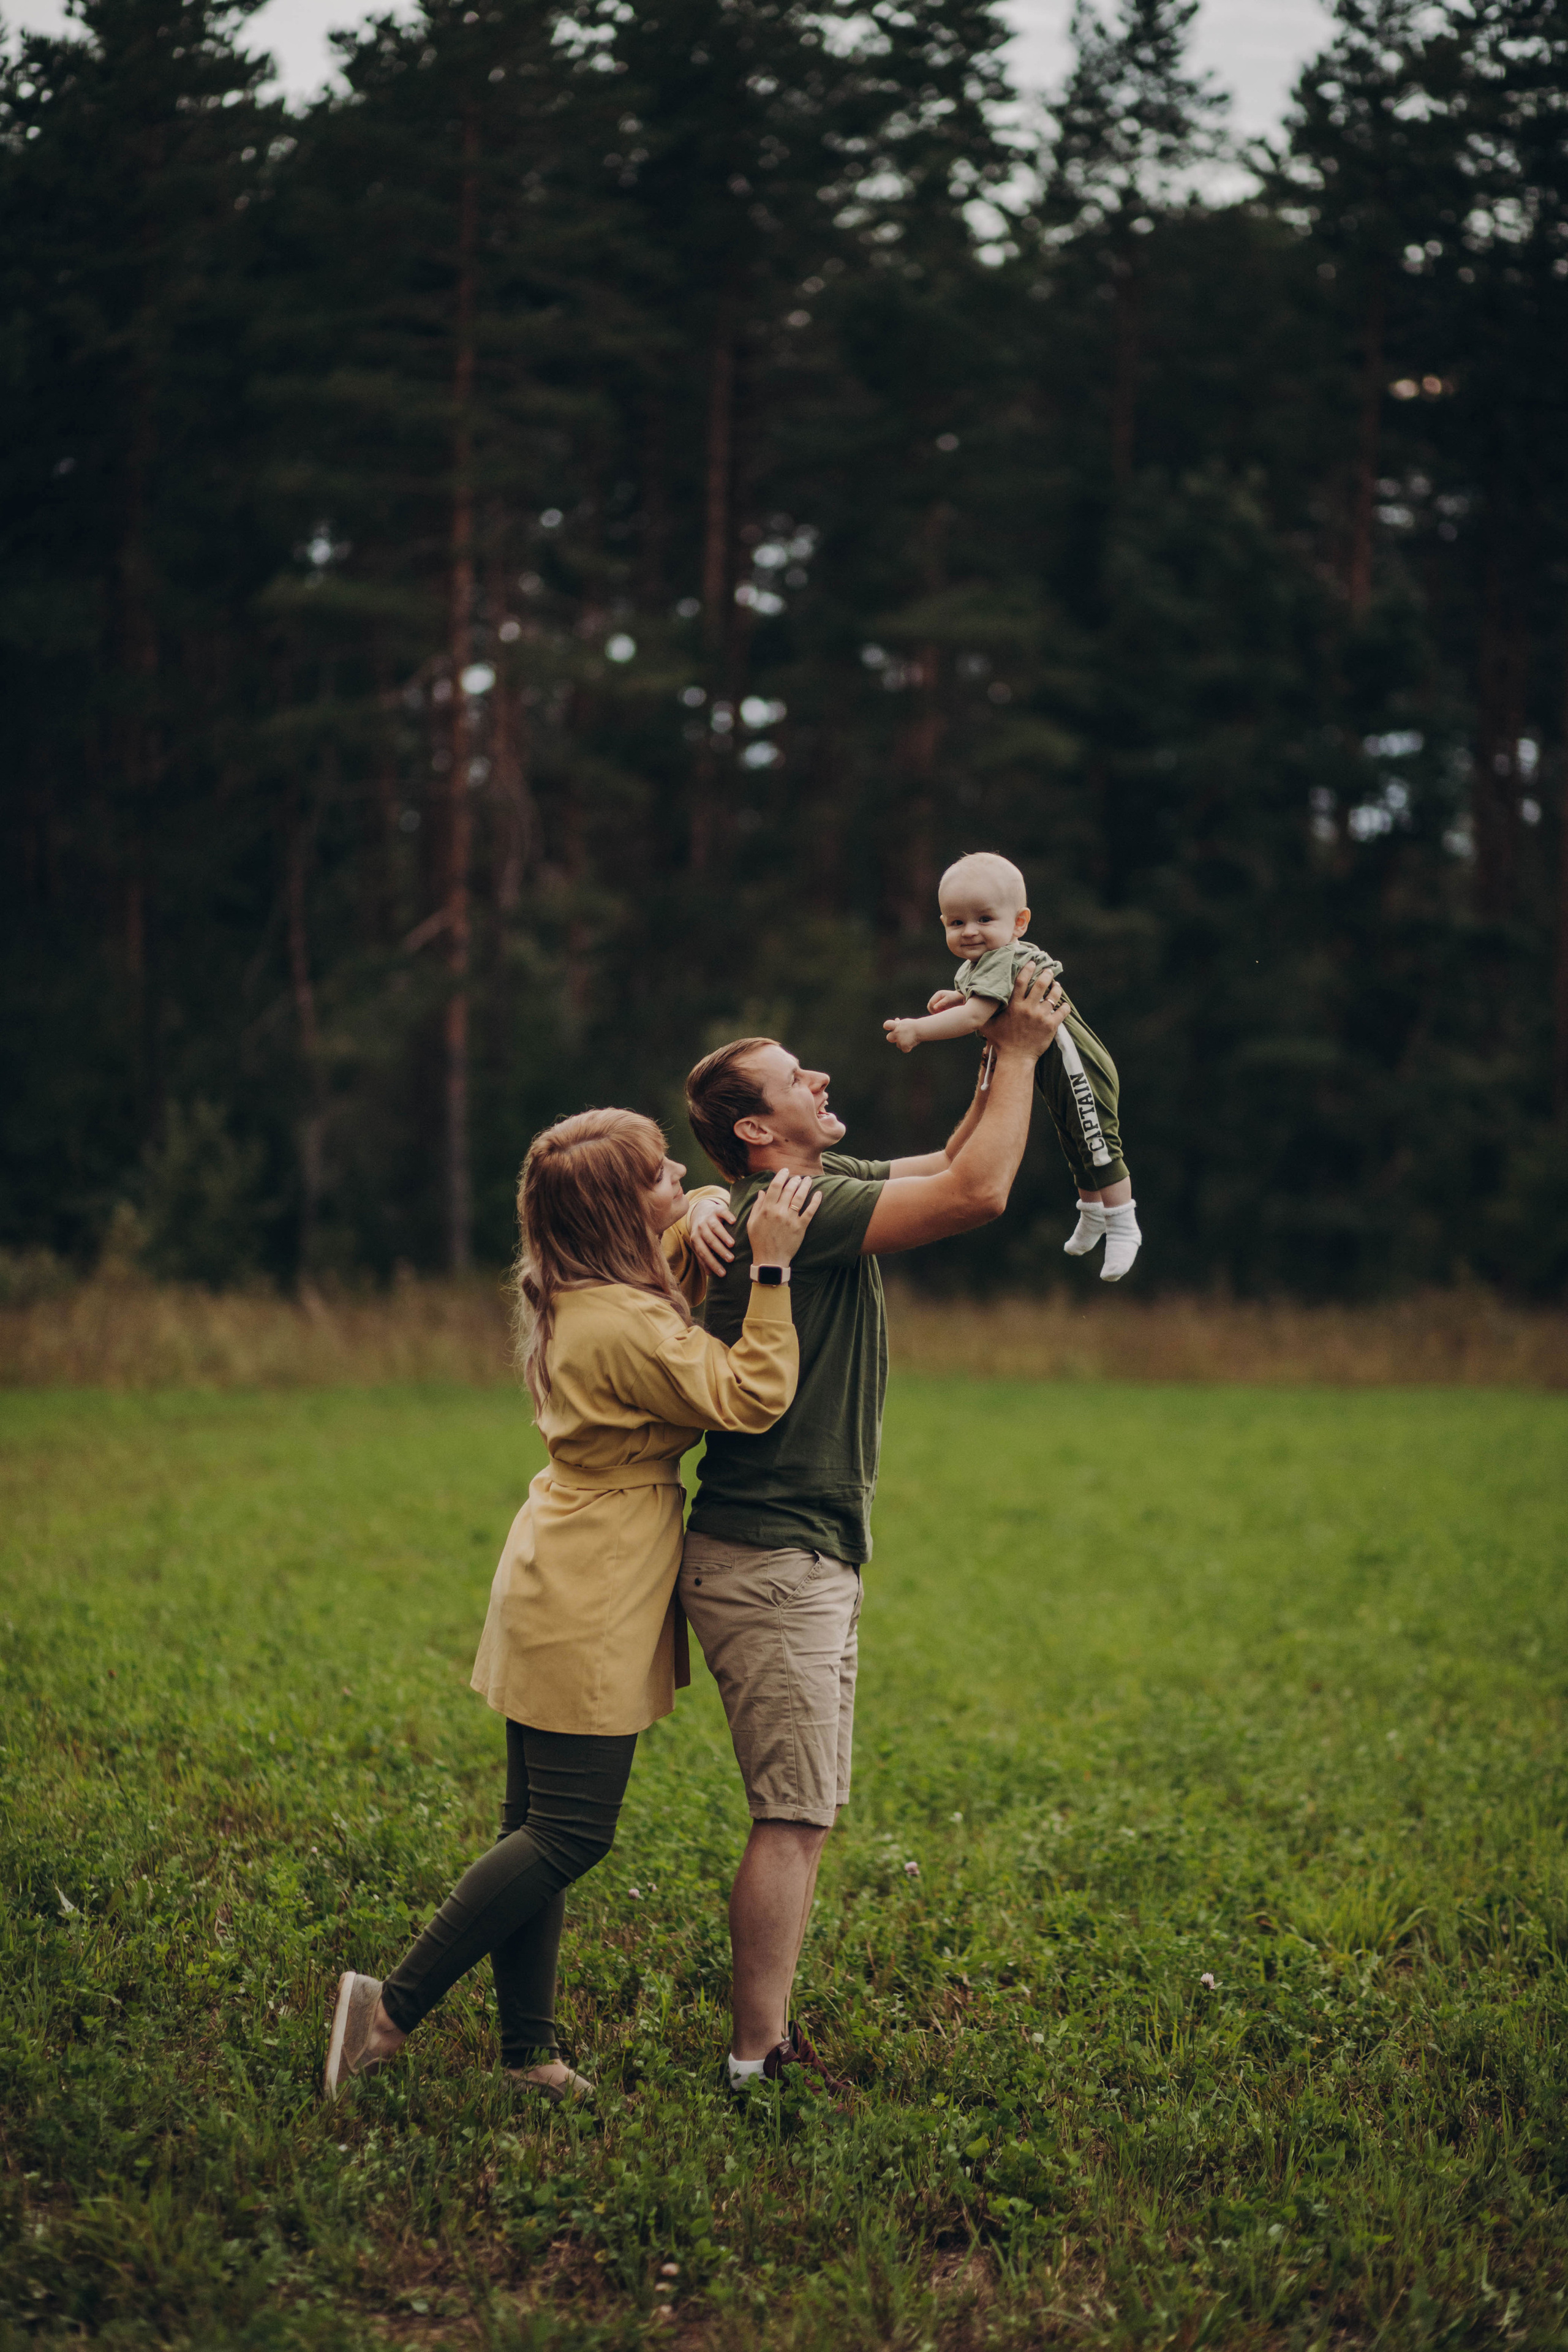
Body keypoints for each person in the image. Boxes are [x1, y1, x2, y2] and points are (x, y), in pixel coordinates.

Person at [322, 1109, 820, 2105]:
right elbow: (749, 1393)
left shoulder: (586, 1290)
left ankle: (526, 2056)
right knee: (571, 1834)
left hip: (562, 1560)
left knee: (533, 1826)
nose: (683, 1173)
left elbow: (671, 1253)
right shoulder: (624, 1324)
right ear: (612, 1213)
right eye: (661, 1174)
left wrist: (708, 1208)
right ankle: (384, 2015)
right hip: (591, 1586)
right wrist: (768, 1271)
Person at [676, 964, 1066, 2093]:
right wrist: (1033, 1057)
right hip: (770, 1556)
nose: (822, 1075)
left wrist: (999, 1046)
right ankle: (758, 2060)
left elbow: (951, 1158)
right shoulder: (783, 1211)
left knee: (804, 1813)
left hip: (801, 1551)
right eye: (796, 1077)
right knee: (791, 1816)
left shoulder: (811, 1190)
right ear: (757, 1128)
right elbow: (980, 1195)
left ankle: (770, 2041)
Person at [881, 850, 1141, 1282]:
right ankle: (1092, 1213)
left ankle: (1123, 1225)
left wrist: (919, 1029)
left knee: (1096, 1141)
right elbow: (983, 1000)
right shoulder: (982, 963)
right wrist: (958, 996)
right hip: (1047, 1064)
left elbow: (975, 1018)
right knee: (1072, 1137)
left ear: (1019, 923)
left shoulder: (1005, 958)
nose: (970, 932)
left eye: (984, 919)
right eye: (956, 922)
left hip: (1077, 1064)